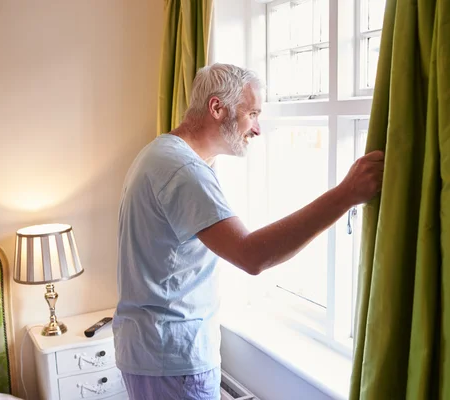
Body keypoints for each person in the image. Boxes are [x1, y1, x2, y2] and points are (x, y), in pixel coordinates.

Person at [113, 63, 384, 400]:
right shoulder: (183, 169)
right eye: (252, 113)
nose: (257, 129)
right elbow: (252, 255)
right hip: (173, 358)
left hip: (150, 351)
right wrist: (346, 194)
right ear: (217, 108)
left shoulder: (159, 152)